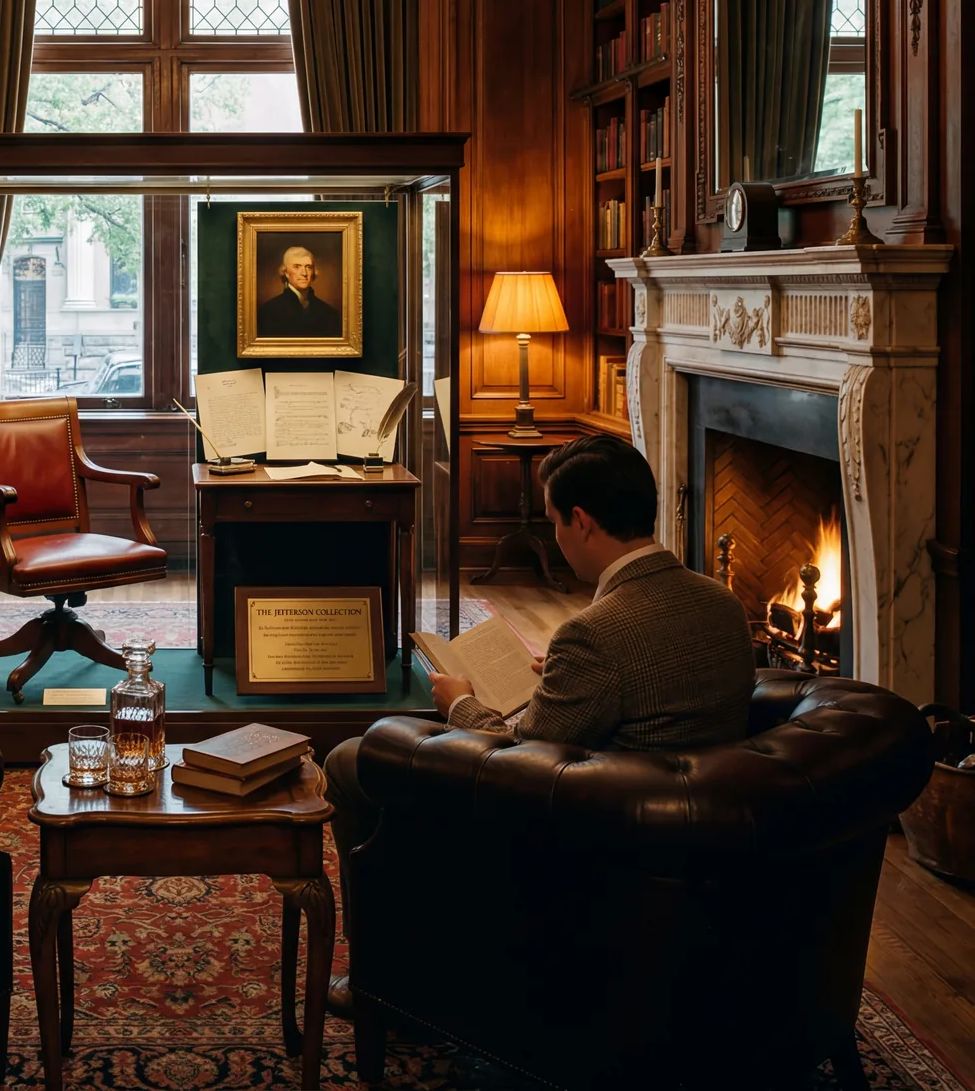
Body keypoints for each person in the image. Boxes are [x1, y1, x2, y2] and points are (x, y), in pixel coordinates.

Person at [322, 434, 754, 1017]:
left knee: (352, 760)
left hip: (591, 846)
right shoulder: (721, 602)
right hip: (701, 840)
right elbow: (653, 687)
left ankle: (384, 975)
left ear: (581, 521)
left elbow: (521, 763)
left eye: (553, 520)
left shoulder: (596, 633)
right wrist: (561, 671)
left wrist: (461, 704)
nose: (554, 535)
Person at [256, 245, 341, 338]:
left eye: (308, 267)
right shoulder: (269, 311)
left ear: (313, 272)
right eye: (296, 267)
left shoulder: (329, 313)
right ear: (286, 272)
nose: (304, 273)